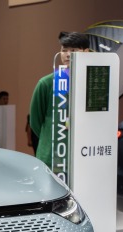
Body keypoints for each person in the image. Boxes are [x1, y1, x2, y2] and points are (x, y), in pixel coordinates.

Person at [29, 31, 90, 168]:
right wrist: (51, 136)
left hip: (82, 156)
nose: (67, 54)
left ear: (86, 52)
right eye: (64, 50)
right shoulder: (46, 83)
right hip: (51, 157)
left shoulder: (91, 83)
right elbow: (35, 121)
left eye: (73, 50)